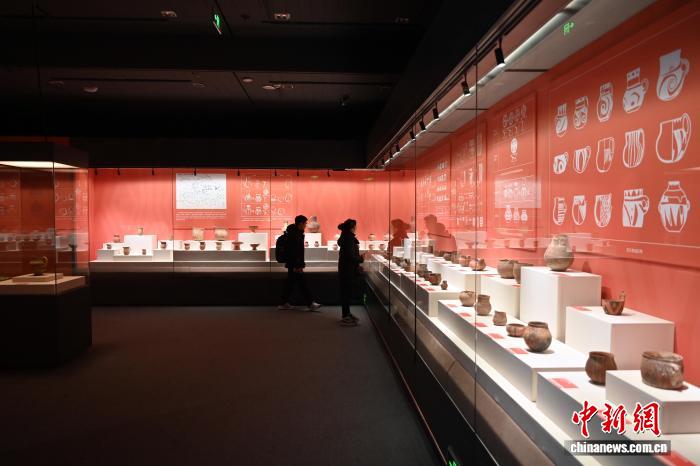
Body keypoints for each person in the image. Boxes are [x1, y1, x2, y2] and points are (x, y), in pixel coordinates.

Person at [279, 215, 322, 312]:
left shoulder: (295, 233)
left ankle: (283, 303)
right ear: (301, 223)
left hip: (294, 264)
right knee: (302, 284)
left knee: (291, 284)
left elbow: (296, 251)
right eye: (305, 223)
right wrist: (297, 265)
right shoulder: (294, 235)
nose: (306, 225)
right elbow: (294, 252)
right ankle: (310, 303)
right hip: (295, 264)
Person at [337, 218, 363, 326]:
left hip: (345, 269)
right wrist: (361, 258)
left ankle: (346, 314)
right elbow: (351, 256)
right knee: (346, 293)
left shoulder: (345, 237)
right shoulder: (349, 238)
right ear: (353, 227)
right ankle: (345, 316)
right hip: (348, 270)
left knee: (345, 292)